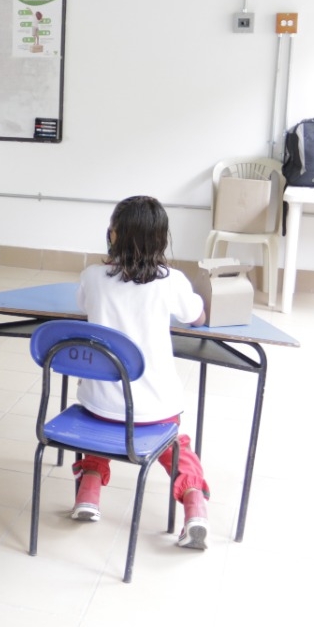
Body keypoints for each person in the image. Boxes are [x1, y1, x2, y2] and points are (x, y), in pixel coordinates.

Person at [73, 195, 211, 550]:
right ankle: (195, 507)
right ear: (162, 240)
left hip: (98, 406)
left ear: (113, 234)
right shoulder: (172, 281)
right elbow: (197, 317)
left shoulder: (92, 276)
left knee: (96, 435)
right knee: (177, 448)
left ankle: (88, 495)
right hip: (156, 410)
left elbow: (83, 305)